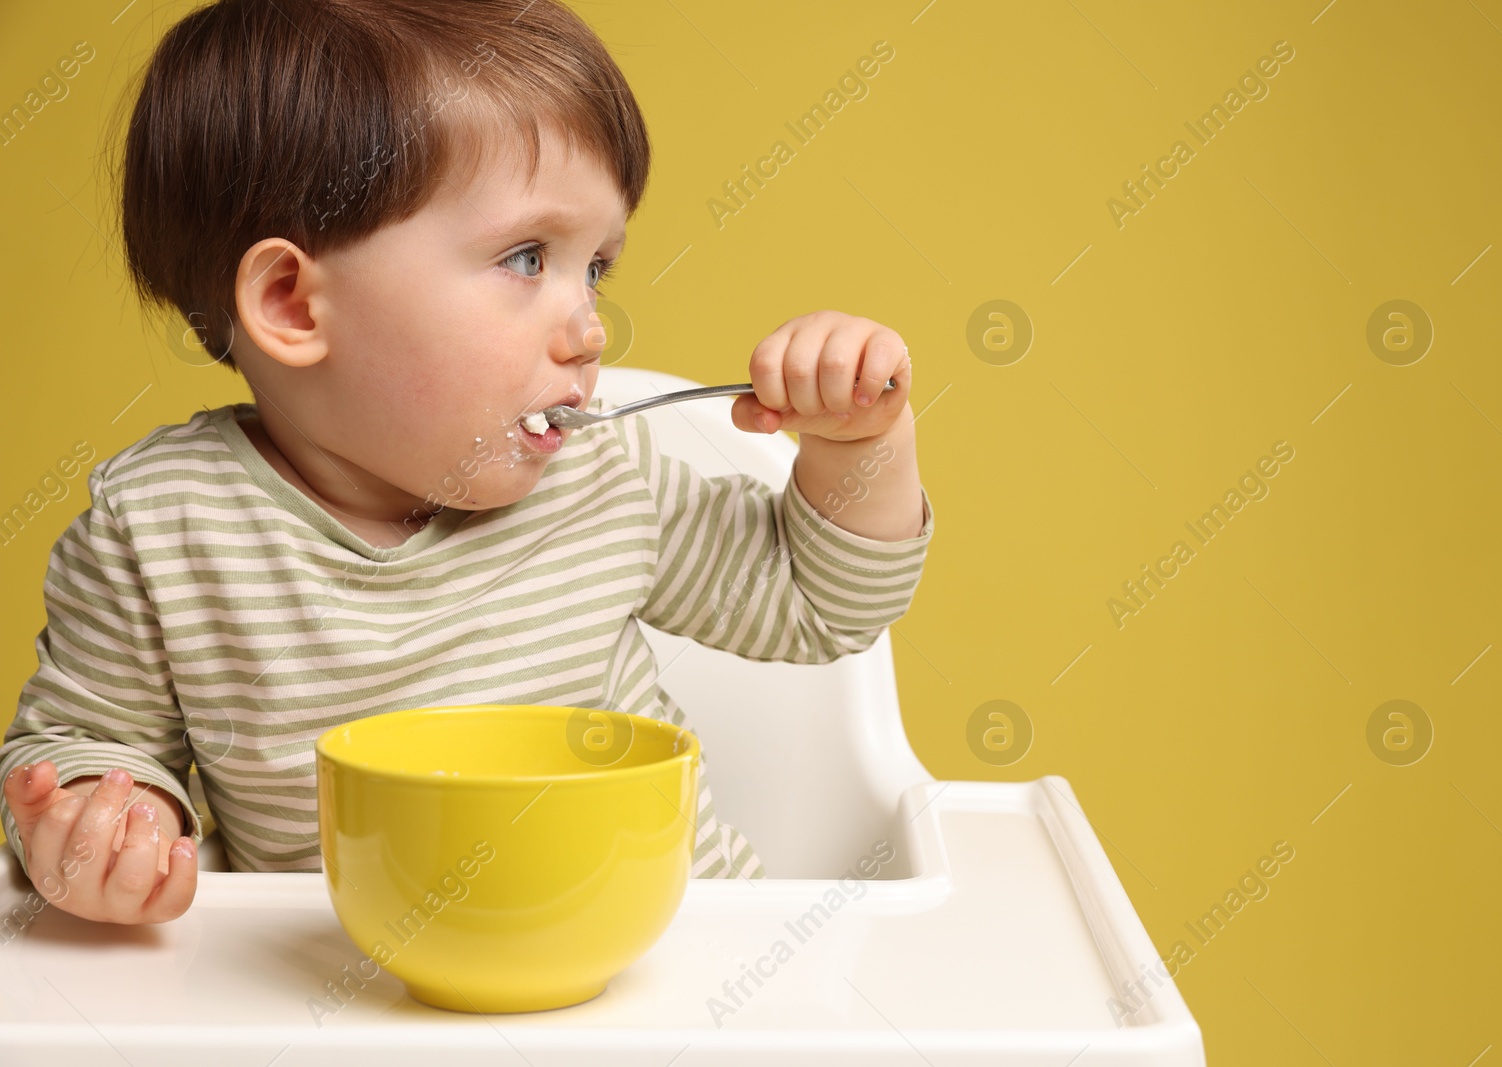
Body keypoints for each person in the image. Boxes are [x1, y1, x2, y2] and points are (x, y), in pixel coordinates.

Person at [0, 0, 933, 924]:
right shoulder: (161, 530)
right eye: (528, 258)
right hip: (354, 1001)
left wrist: (862, 446)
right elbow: (86, 743)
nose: (590, 327)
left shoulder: (604, 478)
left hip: (670, 970)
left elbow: (821, 605)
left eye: (594, 266)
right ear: (290, 302)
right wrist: (110, 824)